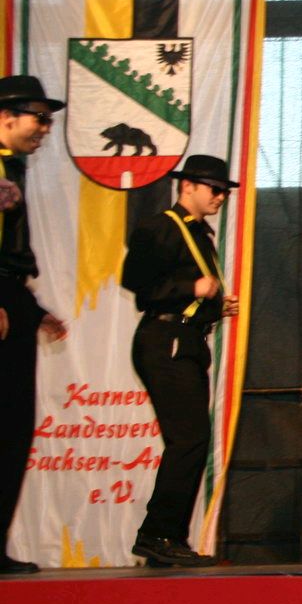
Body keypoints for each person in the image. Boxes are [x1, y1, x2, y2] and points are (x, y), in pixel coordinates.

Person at [120, 154, 240, 567]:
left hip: (186, 339)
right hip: (165, 339)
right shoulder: (161, 227)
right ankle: (157, 534)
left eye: (224, 191)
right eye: (214, 189)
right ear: (187, 186)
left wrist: (213, 306)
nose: (220, 197)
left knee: (193, 439)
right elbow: (137, 283)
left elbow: (179, 290)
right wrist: (193, 287)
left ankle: (168, 536)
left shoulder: (197, 233)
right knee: (188, 438)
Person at [0, 75, 69, 574]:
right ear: (6, 117)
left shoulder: (12, 170)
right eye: (38, 118)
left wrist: (31, 308)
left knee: (13, 428)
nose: (45, 128)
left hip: (12, 298)